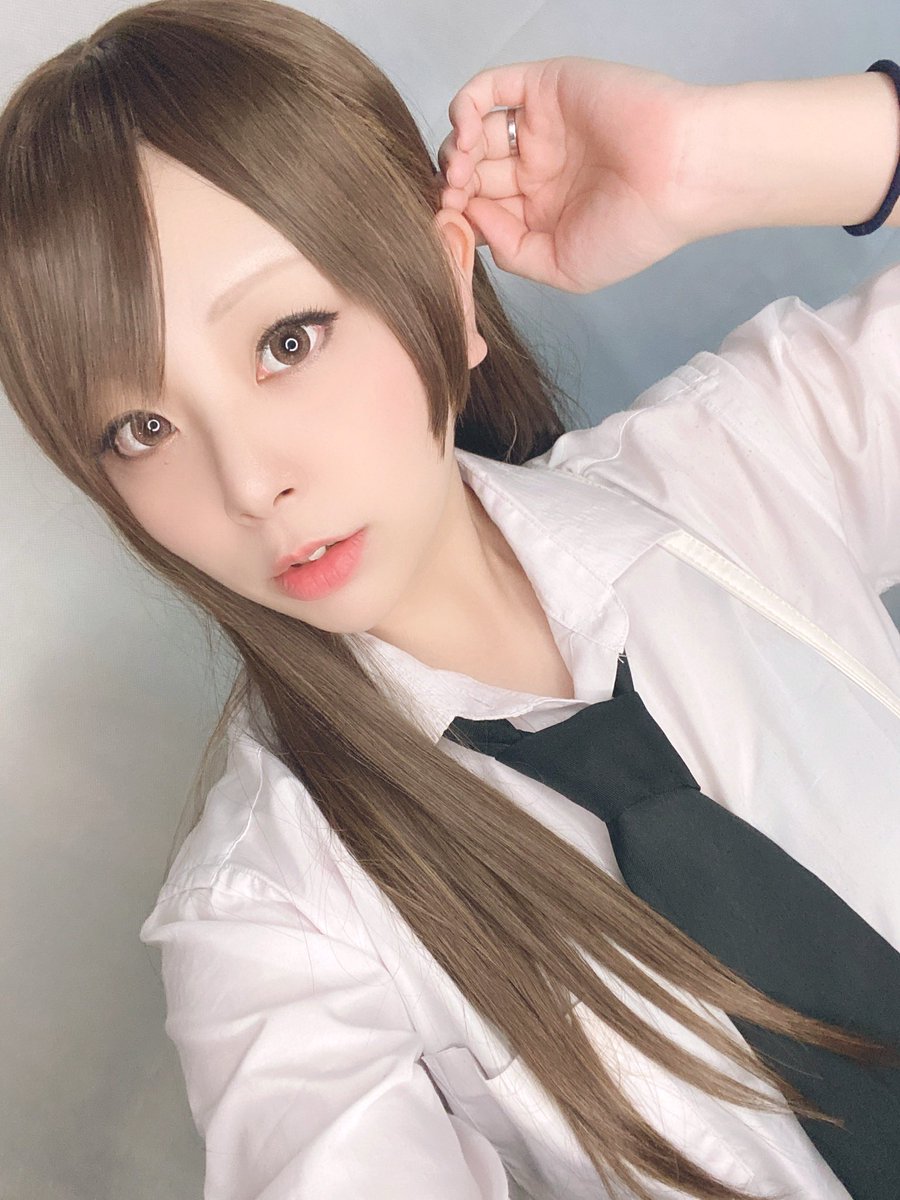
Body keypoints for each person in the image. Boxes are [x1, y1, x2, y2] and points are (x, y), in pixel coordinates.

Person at [0, 1, 898, 1197]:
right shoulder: (276, 927)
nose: (250, 484)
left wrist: (708, 159)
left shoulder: (737, 465)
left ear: (445, 283)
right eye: (142, 428)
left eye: (285, 341)